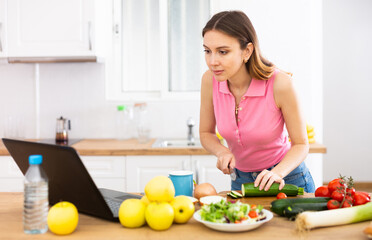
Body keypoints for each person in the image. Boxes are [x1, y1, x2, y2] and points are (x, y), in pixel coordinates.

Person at [199, 10, 315, 193]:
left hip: (287, 179)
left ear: (247, 51)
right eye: (207, 51)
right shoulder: (209, 81)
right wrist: (222, 152)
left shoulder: (280, 84)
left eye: (223, 52)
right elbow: (206, 133)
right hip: (241, 180)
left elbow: (301, 144)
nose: (212, 61)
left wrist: (277, 173)